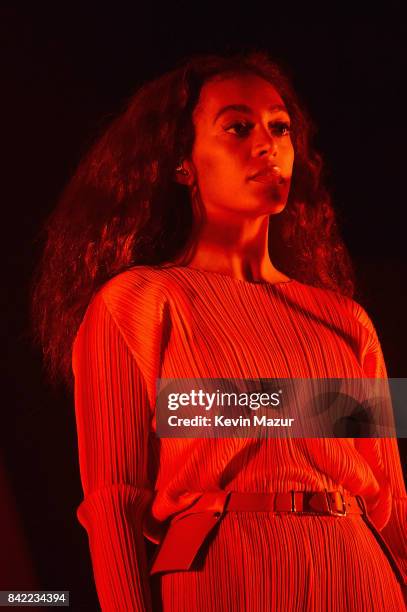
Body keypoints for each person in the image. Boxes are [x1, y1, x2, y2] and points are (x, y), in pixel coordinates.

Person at [30, 51, 406, 611]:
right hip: (224, 571)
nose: (268, 144)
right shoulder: (139, 302)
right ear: (182, 161)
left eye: (280, 127)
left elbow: (392, 507)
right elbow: (114, 504)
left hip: (360, 572)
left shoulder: (343, 321)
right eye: (238, 127)